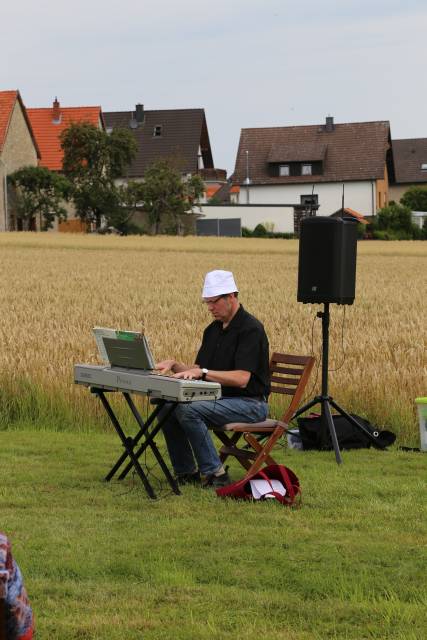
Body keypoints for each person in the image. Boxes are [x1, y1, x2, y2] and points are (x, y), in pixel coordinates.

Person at [156, 270, 270, 488]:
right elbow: (198, 369)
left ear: (231, 297)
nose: (210, 308)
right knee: (166, 408)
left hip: (251, 404)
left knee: (188, 410)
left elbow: (242, 379)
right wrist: (174, 365)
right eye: (206, 302)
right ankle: (186, 472)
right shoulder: (212, 330)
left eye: (213, 302)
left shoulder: (251, 329)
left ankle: (217, 474)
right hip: (218, 399)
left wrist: (205, 373)